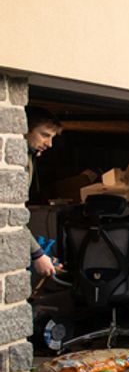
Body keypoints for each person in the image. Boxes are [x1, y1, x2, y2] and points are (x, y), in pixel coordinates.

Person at [24, 107, 62, 279]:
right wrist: (37, 254)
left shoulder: (29, 157)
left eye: (52, 137)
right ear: (25, 129)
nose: (49, 144)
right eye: (45, 135)